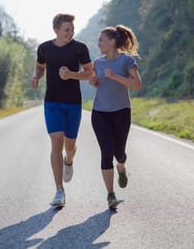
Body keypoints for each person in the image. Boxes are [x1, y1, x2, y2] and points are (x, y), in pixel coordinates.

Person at [31, 13, 94, 207]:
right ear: (56, 30)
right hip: (52, 102)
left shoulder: (79, 48)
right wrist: (36, 76)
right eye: (67, 29)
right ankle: (59, 191)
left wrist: (71, 75)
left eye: (72, 29)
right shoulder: (44, 48)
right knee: (56, 142)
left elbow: (89, 72)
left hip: (73, 102)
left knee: (70, 146)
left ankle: (69, 161)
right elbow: (40, 67)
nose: (71, 32)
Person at [89, 24, 142, 209]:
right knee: (106, 152)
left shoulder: (126, 61)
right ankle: (110, 194)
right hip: (100, 113)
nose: (98, 44)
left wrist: (115, 76)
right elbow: (98, 84)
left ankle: (121, 167)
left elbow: (137, 85)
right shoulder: (98, 63)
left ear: (112, 42)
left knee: (119, 153)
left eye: (101, 40)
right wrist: (94, 82)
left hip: (121, 112)